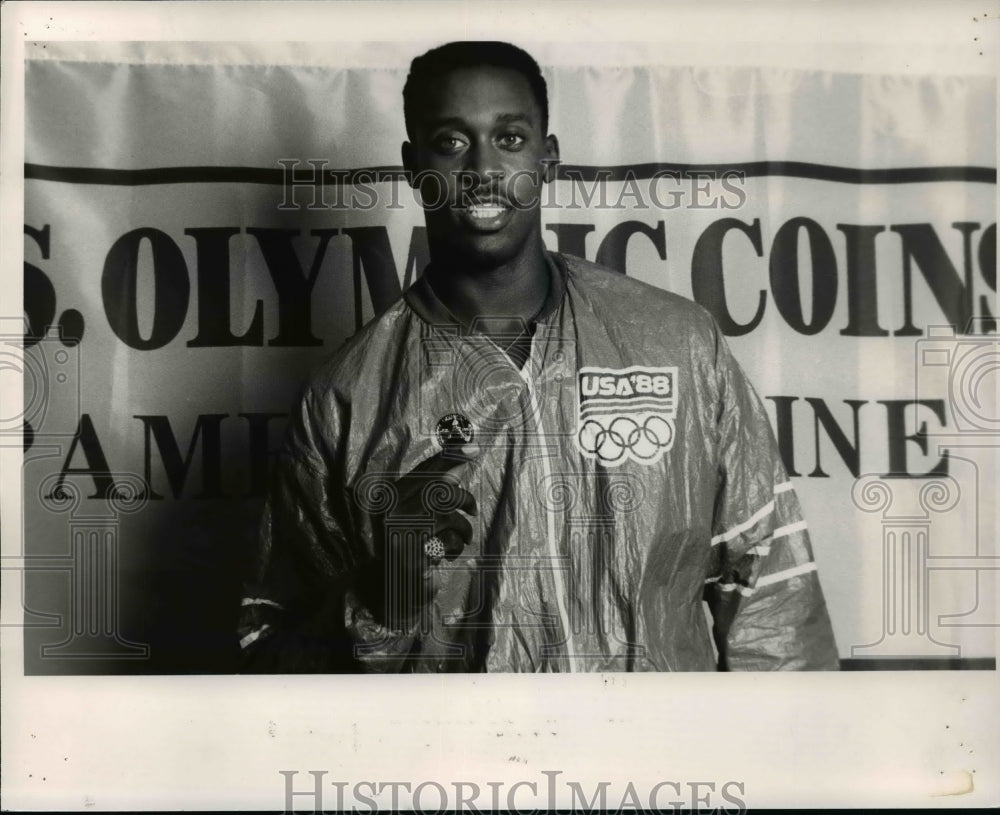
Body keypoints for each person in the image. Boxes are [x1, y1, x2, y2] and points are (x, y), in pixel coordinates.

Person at [237, 41, 840, 672]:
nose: (482, 168)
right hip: (452, 768)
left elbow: (775, 601)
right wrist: (383, 596)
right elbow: (267, 649)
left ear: (547, 157)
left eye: (510, 137)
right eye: (451, 142)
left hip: (657, 765)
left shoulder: (678, 345)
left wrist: (779, 758)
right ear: (413, 167)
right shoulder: (347, 396)